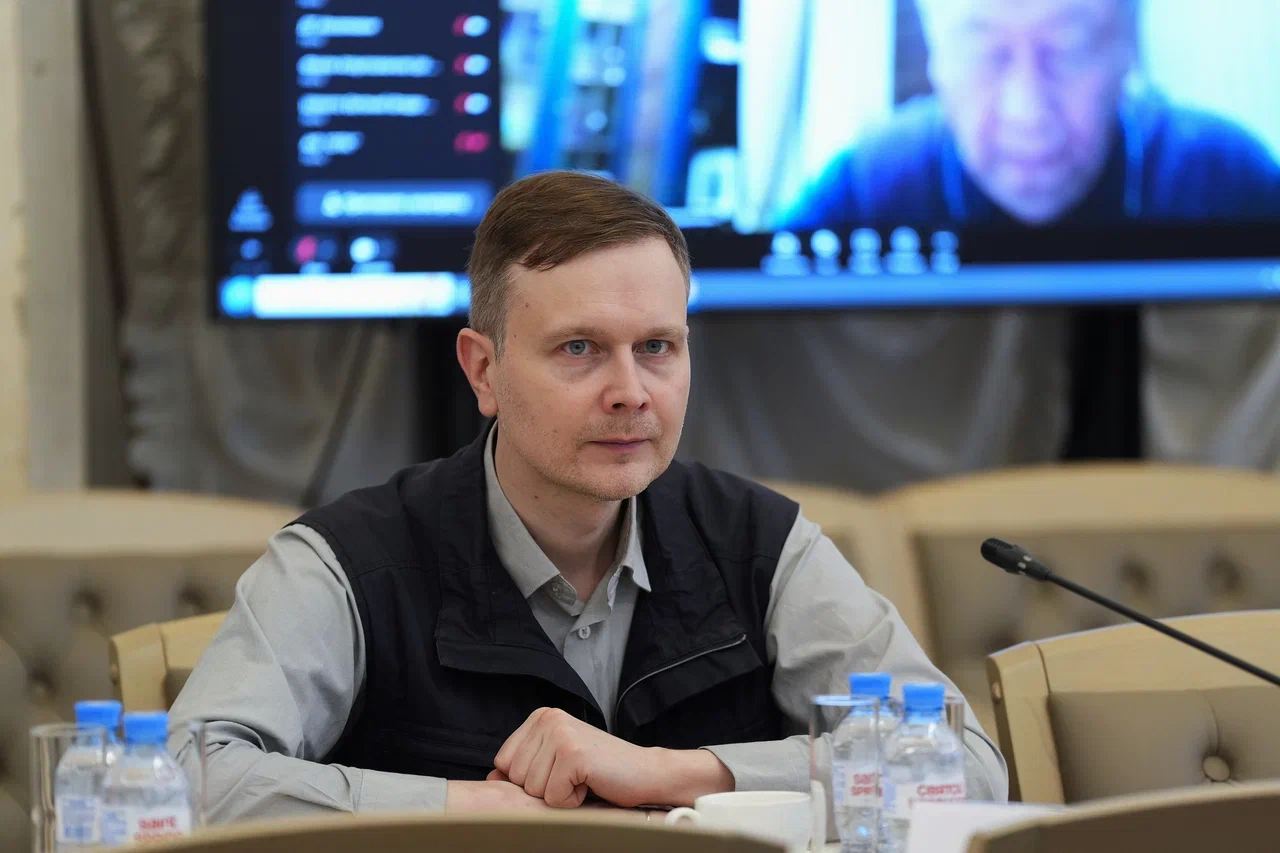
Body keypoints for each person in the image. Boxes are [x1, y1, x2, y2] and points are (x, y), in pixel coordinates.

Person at [170, 170, 1007, 822]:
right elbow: (184, 777)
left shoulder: (759, 542)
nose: (631, 391)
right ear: (483, 370)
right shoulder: (350, 561)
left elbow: (964, 762)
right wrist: (470, 809)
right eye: (579, 348)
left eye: (657, 347)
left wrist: (673, 772)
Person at [779, 0, 1280, 229]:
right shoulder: (867, 188)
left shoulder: (1229, 178)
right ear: (937, 56)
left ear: (1128, 50)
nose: (1028, 111)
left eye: (1069, 49)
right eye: (986, 54)